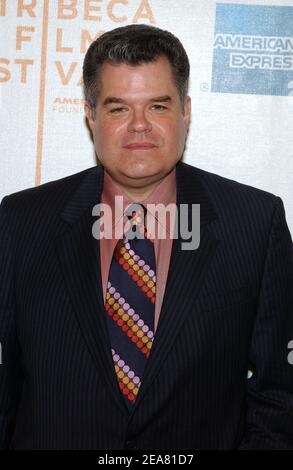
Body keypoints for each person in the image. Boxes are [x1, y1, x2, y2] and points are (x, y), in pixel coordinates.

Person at [0, 24, 292, 450]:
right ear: (90, 115)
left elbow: (277, 392)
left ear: (185, 112)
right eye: (118, 109)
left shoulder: (254, 222)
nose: (139, 127)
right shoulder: (21, 222)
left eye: (157, 106)